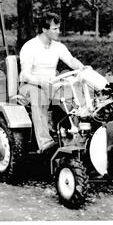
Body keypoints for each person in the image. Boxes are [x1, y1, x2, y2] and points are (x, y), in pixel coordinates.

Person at [19, 12, 85, 154]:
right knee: (40, 97)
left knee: (73, 96)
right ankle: (45, 144)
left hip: (51, 84)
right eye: (54, 29)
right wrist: (42, 82)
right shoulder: (30, 47)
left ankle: (74, 136)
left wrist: (83, 68)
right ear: (44, 29)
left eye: (58, 28)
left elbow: (71, 60)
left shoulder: (58, 46)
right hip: (30, 85)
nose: (58, 32)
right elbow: (26, 74)